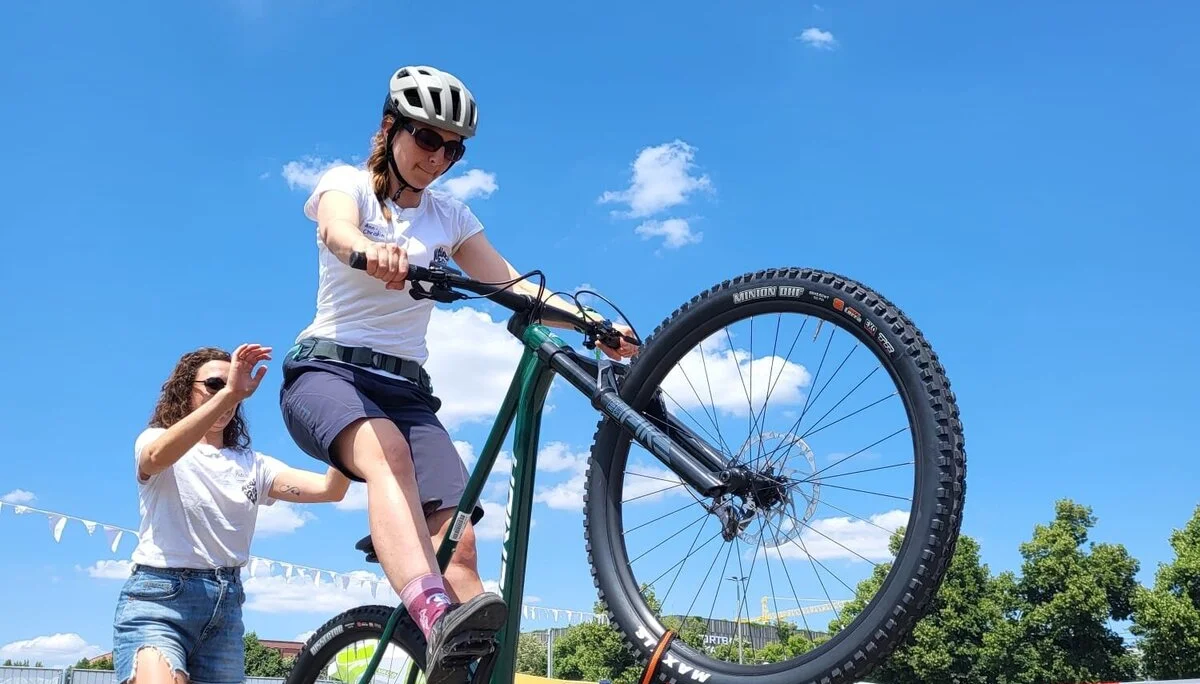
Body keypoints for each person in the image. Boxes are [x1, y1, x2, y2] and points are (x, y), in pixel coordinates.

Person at [278, 65, 638, 683]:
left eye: (454, 149)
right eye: (427, 138)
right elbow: (336, 230)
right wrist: (368, 250)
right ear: (390, 128)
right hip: (327, 374)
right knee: (387, 452)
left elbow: (511, 282)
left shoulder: (450, 216)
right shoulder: (347, 184)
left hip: (407, 392)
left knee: (460, 541)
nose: (438, 157)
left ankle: (478, 670)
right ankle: (433, 613)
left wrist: (591, 322)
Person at [112, 344, 351, 684]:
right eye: (215, 384)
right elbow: (155, 457)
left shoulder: (254, 464)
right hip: (159, 600)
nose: (229, 392)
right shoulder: (155, 439)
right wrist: (230, 394)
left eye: (235, 386)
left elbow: (330, 489)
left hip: (225, 609)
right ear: (185, 390)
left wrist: (348, 423)